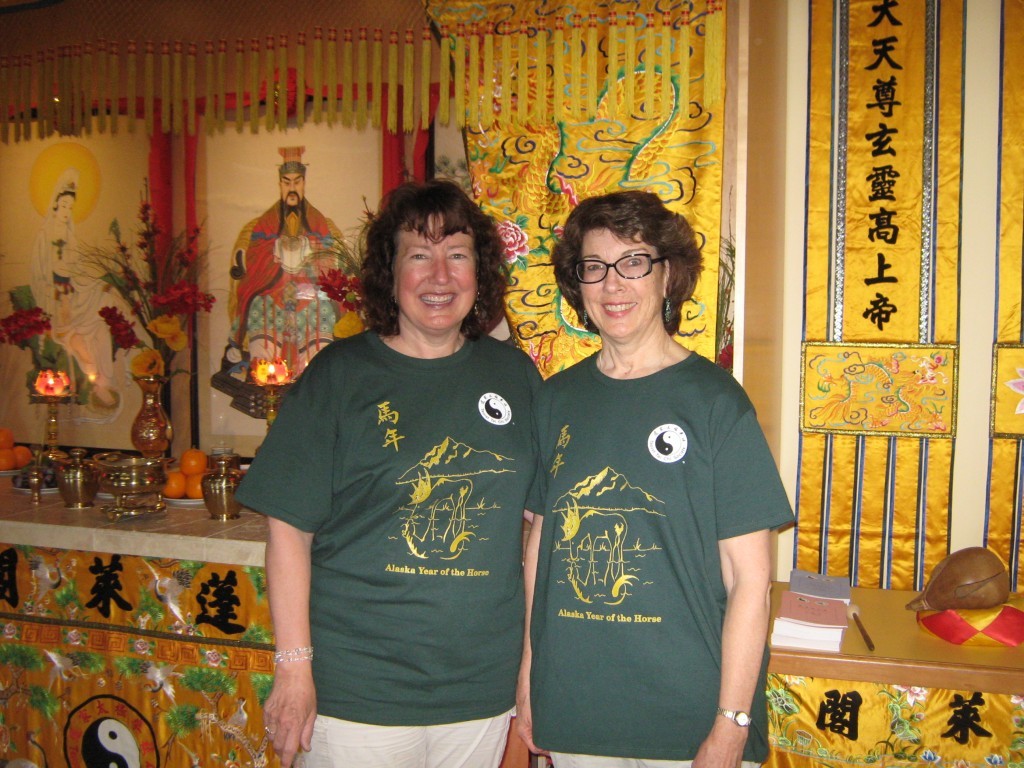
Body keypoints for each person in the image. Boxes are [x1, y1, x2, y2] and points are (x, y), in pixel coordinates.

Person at [236, 179, 542, 768]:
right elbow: (288, 532)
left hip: (479, 688)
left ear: (479, 273)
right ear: (390, 271)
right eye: (418, 255)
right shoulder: (339, 375)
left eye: (457, 255)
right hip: (358, 689)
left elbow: (538, 532)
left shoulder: (514, 377)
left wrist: (531, 671)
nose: (440, 276)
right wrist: (294, 668)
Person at [517, 191, 794, 768]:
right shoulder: (555, 400)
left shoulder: (716, 403)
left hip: (689, 717)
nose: (613, 284)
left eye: (634, 262)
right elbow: (540, 548)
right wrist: (529, 675)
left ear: (667, 276)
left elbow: (751, 578)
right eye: (595, 267)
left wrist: (732, 723)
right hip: (578, 708)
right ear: (578, 284)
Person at [221, 146, 345, 377]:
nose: (292, 188)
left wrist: (311, 251)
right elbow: (255, 254)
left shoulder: (318, 221)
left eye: (297, 182)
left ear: (304, 184)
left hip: (310, 291)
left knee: (323, 308)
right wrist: (274, 252)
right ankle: (264, 375)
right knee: (259, 304)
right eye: (286, 182)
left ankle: (315, 377)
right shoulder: (264, 222)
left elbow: (331, 255)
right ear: (280, 184)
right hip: (272, 289)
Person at [29, 168, 119, 414]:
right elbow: (38, 273)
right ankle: (93, 377)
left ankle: (104, 381)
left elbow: (77, 270)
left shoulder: (71, 235)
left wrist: (90, 282)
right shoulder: (44, 235)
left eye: (71, 207)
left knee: (101, 321)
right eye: (64, 206)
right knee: (76, 337)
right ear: (55, 205)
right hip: (54, 299)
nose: (67, 212)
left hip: (72, 292)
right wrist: (53, 279)